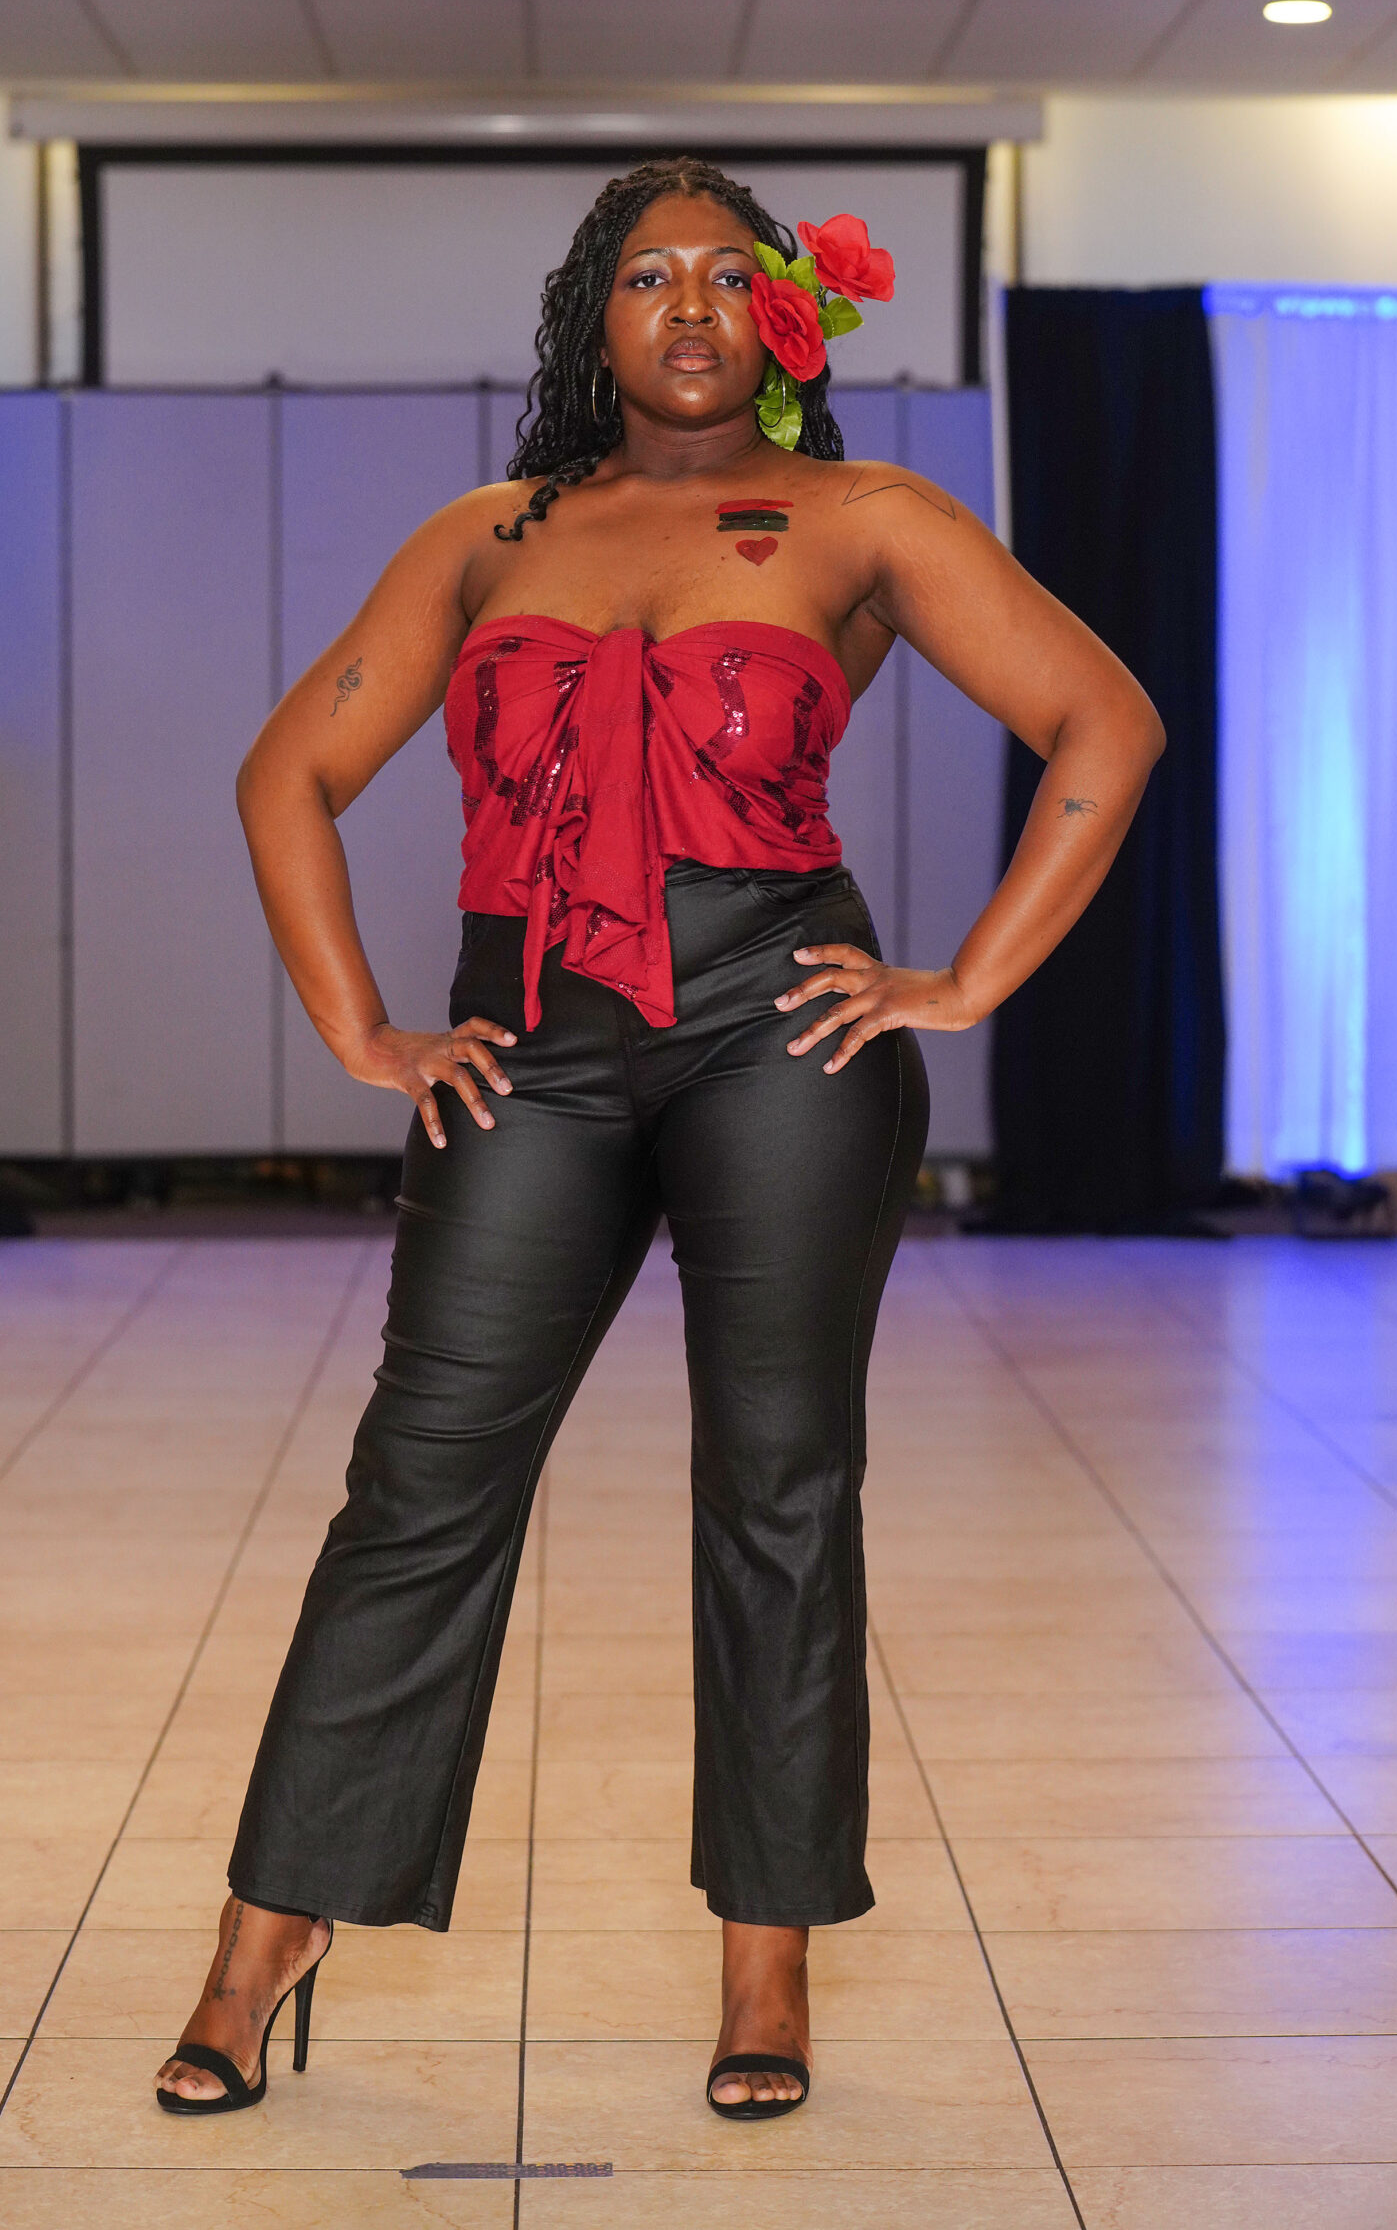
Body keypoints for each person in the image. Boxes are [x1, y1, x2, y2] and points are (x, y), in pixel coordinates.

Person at [153, 157, 1164, 2122]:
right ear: (589, 320)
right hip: (525, 1038)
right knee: (420, 1482)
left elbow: (1101, 720)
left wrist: (963, 979)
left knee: (779, 1486)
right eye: (644, 276)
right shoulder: (485, 535)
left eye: (723, 272)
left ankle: (767, 1960)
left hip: (777, 1024)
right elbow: (288, 771)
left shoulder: (865, 519)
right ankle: (264, 1935)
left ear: (779, 312)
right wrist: (362, 1026)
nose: (686, 304)